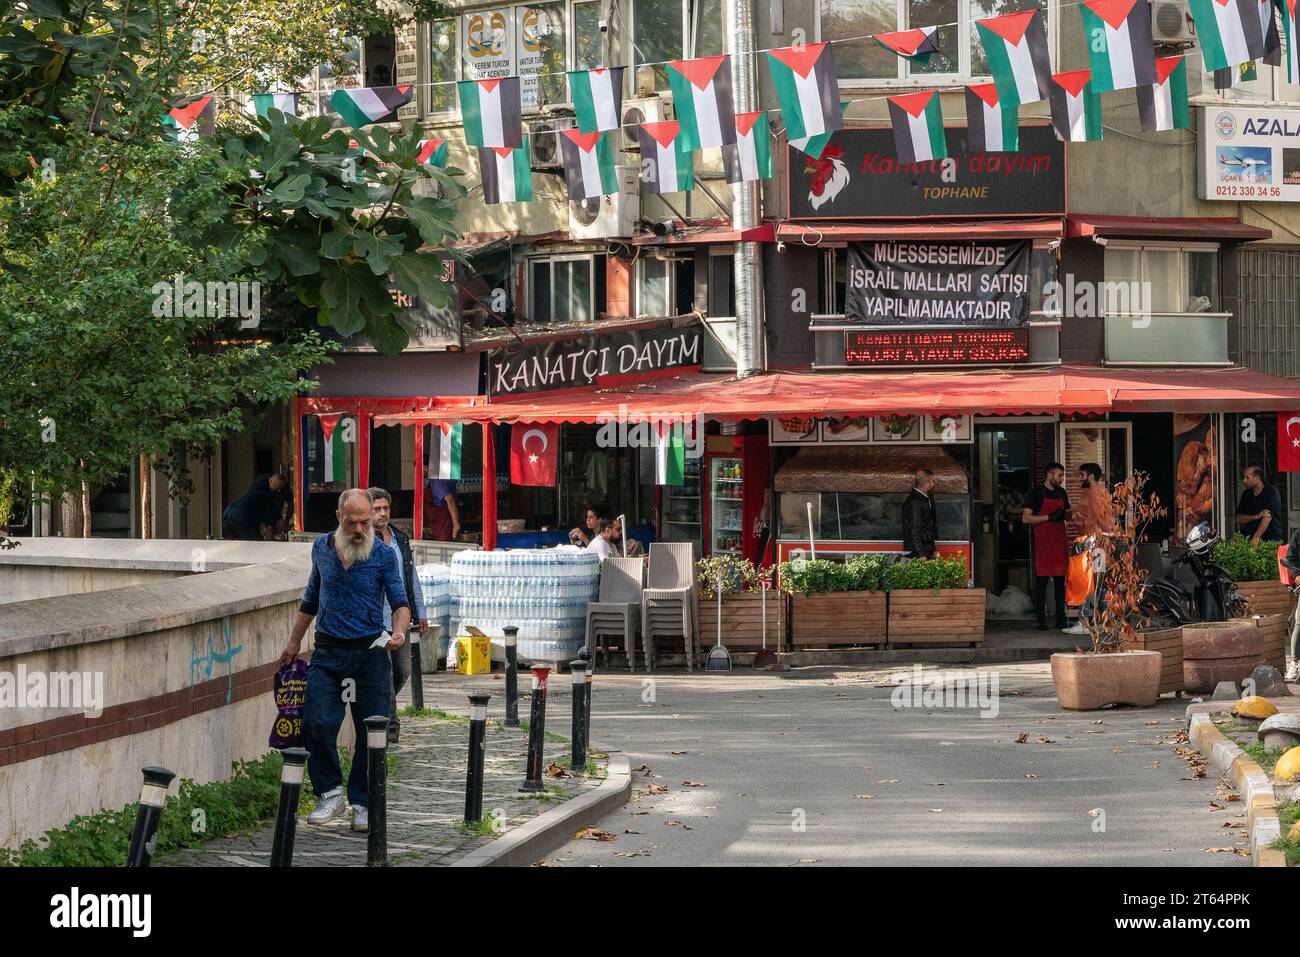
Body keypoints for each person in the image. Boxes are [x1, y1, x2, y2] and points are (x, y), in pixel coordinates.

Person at [279, 489, 409, 833]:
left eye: (364, 522)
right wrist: (294, 642)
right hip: (329, 651)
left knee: (373, 731)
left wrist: (398, 632)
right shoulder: (321, 548)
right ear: (339, 517)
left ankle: (363, 802)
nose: (358, 529)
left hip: (370, 653)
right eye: (351, 522)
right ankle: (330, 792)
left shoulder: (382, 555)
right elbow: (311, 597)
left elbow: (400, 602)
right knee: (316, 723)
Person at [368, 487, 428, 743]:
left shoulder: (399, 539)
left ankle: (380, 705)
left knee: (402, 670)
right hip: (375, 619)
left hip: (400, 618)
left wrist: (420, 611)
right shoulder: (365, 540)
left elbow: (410, 575)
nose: (382, 514)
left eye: (386, 509)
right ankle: (391, 724)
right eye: (377, 509)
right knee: (386, 671)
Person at [1067, 462, 1115, 636]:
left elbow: (1105, 520)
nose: (1080, 478)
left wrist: (1105, 533)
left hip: (1095, 543)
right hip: (1099, 542)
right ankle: (1105, 621)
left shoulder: (1095, 493)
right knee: (1098, 583)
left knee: (1087, 582)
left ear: (1091, 476)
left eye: (1082, 475)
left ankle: (1084, 622)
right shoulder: (1100, 491)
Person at [1022, 462, 1071, 631]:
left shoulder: (1062, 493)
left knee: (1060, 582)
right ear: (1050, 475)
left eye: (1063, 476)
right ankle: (1041, 620)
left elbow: (1069, 514)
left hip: (1059, 541)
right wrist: (1049, 516)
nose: (1062, 479)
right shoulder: (1036, 493)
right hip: (1043, 543)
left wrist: (1068, 514)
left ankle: (1061, 619)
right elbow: (1026, 518)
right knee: (1041, 582)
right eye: (1059, 475)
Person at [221, 472, 288, 541]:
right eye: (277, 488)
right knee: (255, 544)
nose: (279, 491)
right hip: (242, 517)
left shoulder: (258, 491)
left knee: (234, 544)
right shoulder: (269, 505)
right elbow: (269, 532)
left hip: (227, 514)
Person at [1235, 466, 1284, 544]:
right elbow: (1238, 518)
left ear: (1257, 478)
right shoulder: (1246, 494)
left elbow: (1267, 517)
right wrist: (1256, 516)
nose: (1244, 481)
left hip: (1271, 539)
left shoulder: (1271, 492)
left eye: (1247, 478)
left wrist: (1256, 538)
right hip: (1249, 539)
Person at [901, 468, 938, 560]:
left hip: (924, 550)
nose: (935, 483)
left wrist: (933, 549)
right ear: (926, 483)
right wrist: (921, 554)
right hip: (920, 553)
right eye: (933, 480)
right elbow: (915, 528)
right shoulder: (916, 501)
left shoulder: (922, 499)